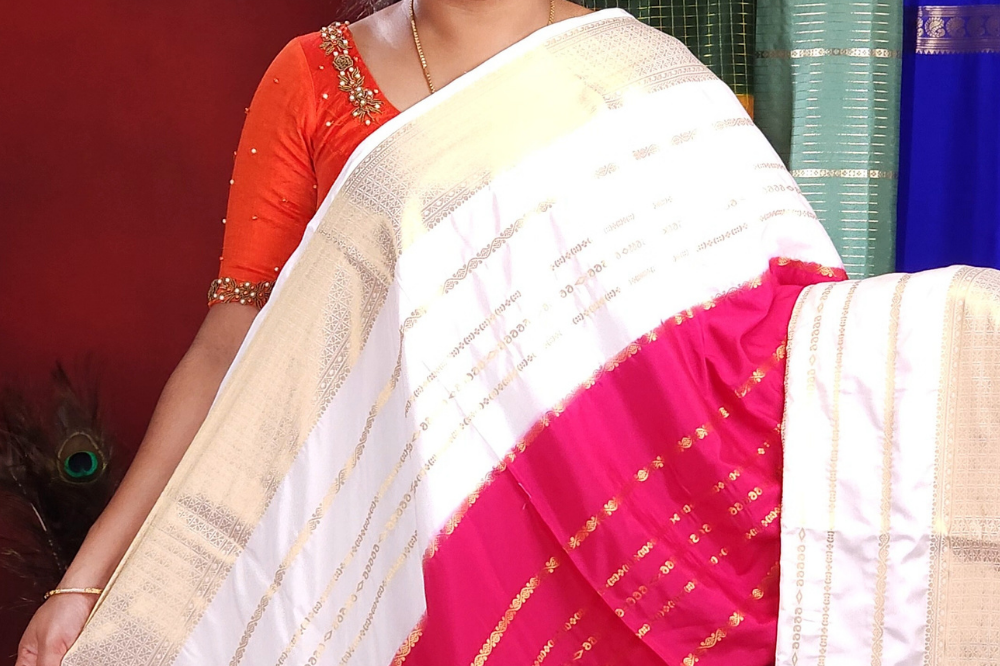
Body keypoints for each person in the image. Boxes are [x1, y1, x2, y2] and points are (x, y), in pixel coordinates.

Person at [25, 1, 993, 665]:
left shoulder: (639, 79)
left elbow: (761, 340)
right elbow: (231, 344)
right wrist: (90, 579)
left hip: (590, 540)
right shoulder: (318, 76)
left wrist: (966, 333)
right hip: (376, 554)